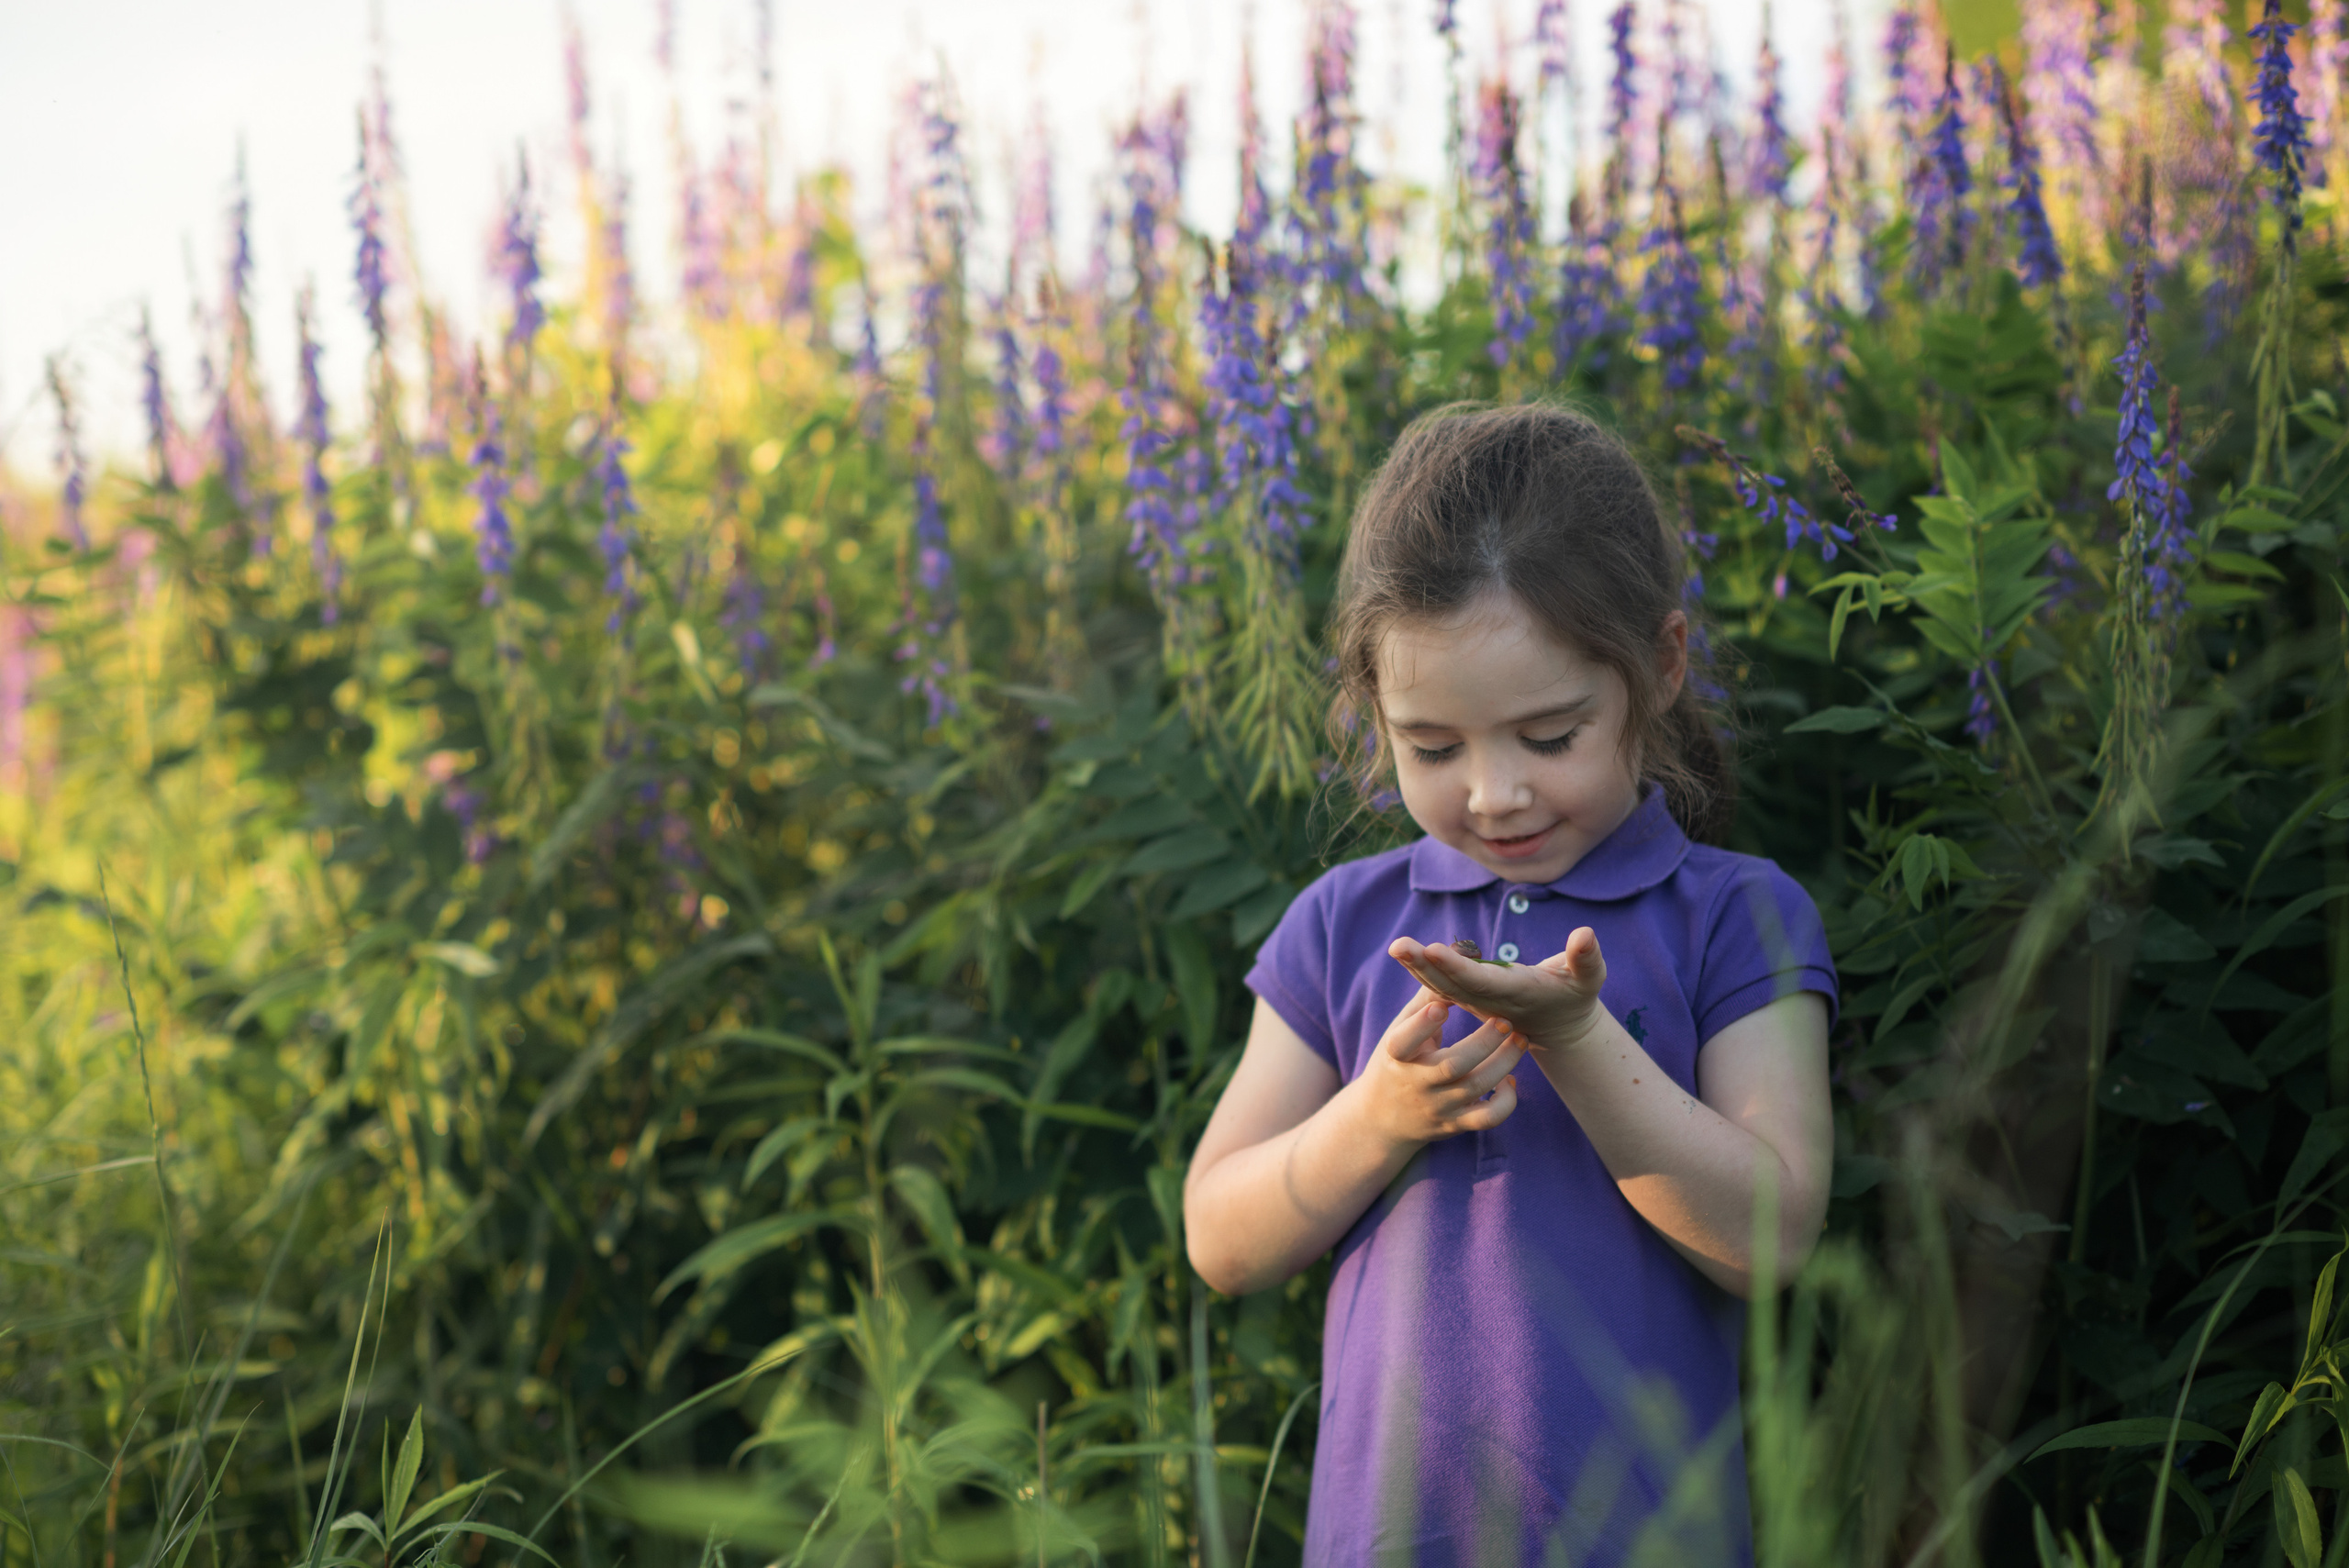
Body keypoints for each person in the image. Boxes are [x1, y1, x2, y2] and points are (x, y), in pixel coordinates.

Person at [1183, 403, 1837, 1566]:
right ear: (1372, 710)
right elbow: (1221, 1239)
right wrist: (1376, 1116)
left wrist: (1579, 1039)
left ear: (1661, 665)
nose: (1493, 794)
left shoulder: (1737, 916)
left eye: (1548, 736)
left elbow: (1771, 1238)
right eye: (1432, 747)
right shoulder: (1343, 924)